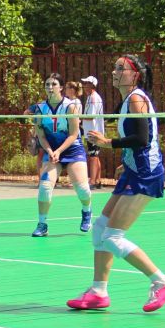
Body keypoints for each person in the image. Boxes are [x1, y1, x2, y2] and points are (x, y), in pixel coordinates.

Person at [68, 54, 165, 312]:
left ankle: (162, 282)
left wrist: (108, 143)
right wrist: (126, 161)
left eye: (121, 69)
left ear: (135, 75)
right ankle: (98, 292)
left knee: (112, 237)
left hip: (145, 174)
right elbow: (140, 141)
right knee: (100, 229)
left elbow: (142, 138)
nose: (114, 72)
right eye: (114, 68)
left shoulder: (137, 99)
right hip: (133, 170)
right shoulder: (129, 99)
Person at [31, 73, 92, 237]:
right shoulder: (40, 109)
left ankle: (87, 211)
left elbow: (73, 134)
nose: (50, 87)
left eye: (54, 84)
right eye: (47, 84)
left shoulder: (70, 107)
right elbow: (41, 136)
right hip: (52, 151)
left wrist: (59, 151)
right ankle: (42, 224)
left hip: (72, 149)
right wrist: (51, 151)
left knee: (83, 190)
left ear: (61, 88)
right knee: (44, 187)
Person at [81, 76, 105, 190]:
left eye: (87, 83)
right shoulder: (91, 97)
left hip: (93, 132)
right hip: (91, 131)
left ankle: (92, 181)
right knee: (95, 155)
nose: (85, 85)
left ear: (92, 85)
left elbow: (91, 116)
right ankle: (98, 180)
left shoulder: (93, 98)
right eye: (84, 83)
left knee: (93, 156)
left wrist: (77, 117)